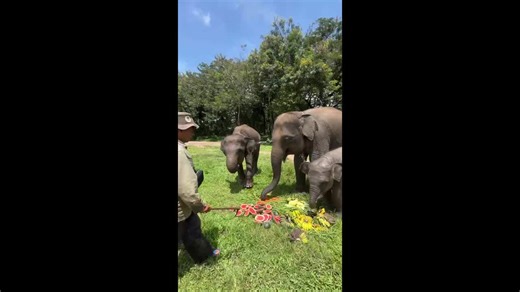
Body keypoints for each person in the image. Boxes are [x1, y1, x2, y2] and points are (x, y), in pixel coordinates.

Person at [178, 112, 220, 263]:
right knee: (192, 228)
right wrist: (200, 206)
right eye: (189, 128)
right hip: (180, 208)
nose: (193, 131)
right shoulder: (180, 152)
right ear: (179, 130)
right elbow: (186, 191)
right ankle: (205, 256)